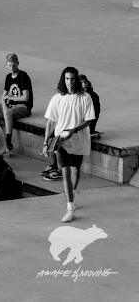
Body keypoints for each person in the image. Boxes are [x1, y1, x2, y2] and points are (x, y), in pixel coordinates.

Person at [43, 67, 95, 222]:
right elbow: (50, 122)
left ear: (76, 80)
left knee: (75, 170)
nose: (69, 82)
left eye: (72, 79)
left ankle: (71, 193)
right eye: (67, 79)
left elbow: (89, 120)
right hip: (61, 141)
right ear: (63, 80)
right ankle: (70, 206)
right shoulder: (57, 98)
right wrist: (46, 142)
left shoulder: (85, 97)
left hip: (78, 141)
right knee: (64, 171)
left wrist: (74, 130)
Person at [0, 53, 33, 151]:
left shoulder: (23, 76)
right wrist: (5, 107)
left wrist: (11, 99)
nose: (12, 68)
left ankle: (8, 141)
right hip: (10, 105)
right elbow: (3, 97)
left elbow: (25, 98)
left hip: (23, 107)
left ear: (18, 64)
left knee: (8, 113)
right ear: (6, 64)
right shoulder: (8, 77)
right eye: (9, 65)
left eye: (14, 65)